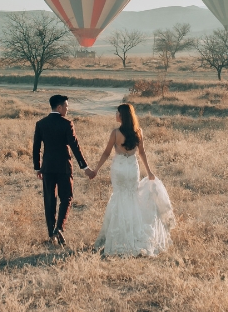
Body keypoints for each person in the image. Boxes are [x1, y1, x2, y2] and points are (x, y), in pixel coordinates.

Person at [87, 102, 175, 257]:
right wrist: (149, 172)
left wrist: (96, 169)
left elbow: (107, 153)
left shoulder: (115, 133)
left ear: (122, 116)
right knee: (131, 197)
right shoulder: (138, 132)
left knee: (119, 196)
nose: (116, 115)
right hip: (132, 169)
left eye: (117, 113)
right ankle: (133, 233)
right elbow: (142, 153)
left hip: (120, 168)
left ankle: (118, 236)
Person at [32, 94, 89, 247]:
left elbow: (36, 148)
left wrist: (38, 167)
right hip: (64, 167)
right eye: (66, 107)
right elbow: (75, 146)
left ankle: (51, 234)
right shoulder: (67, 124)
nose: (67, 109)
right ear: (59, 107)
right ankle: (59, 228)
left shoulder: (41, 123)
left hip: (48, 168)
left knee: (49, 200)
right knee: (67, 197)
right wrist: (84, 166)